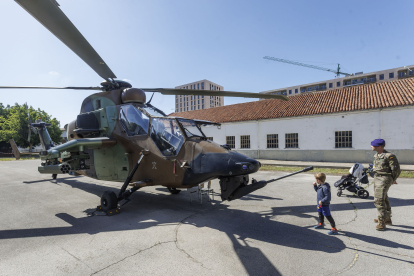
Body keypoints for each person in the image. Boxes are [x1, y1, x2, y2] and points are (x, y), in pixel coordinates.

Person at [371, 139, 401, 231]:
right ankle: (387, 218)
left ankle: (382, 222)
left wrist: (393, 179)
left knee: (378, 200)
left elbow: (396, 169)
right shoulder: (376, 155)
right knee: (384, 198)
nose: (371, 146)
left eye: (372, 145)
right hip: (377, 178)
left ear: (379, 146)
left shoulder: (390, 156)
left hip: (384, 179)